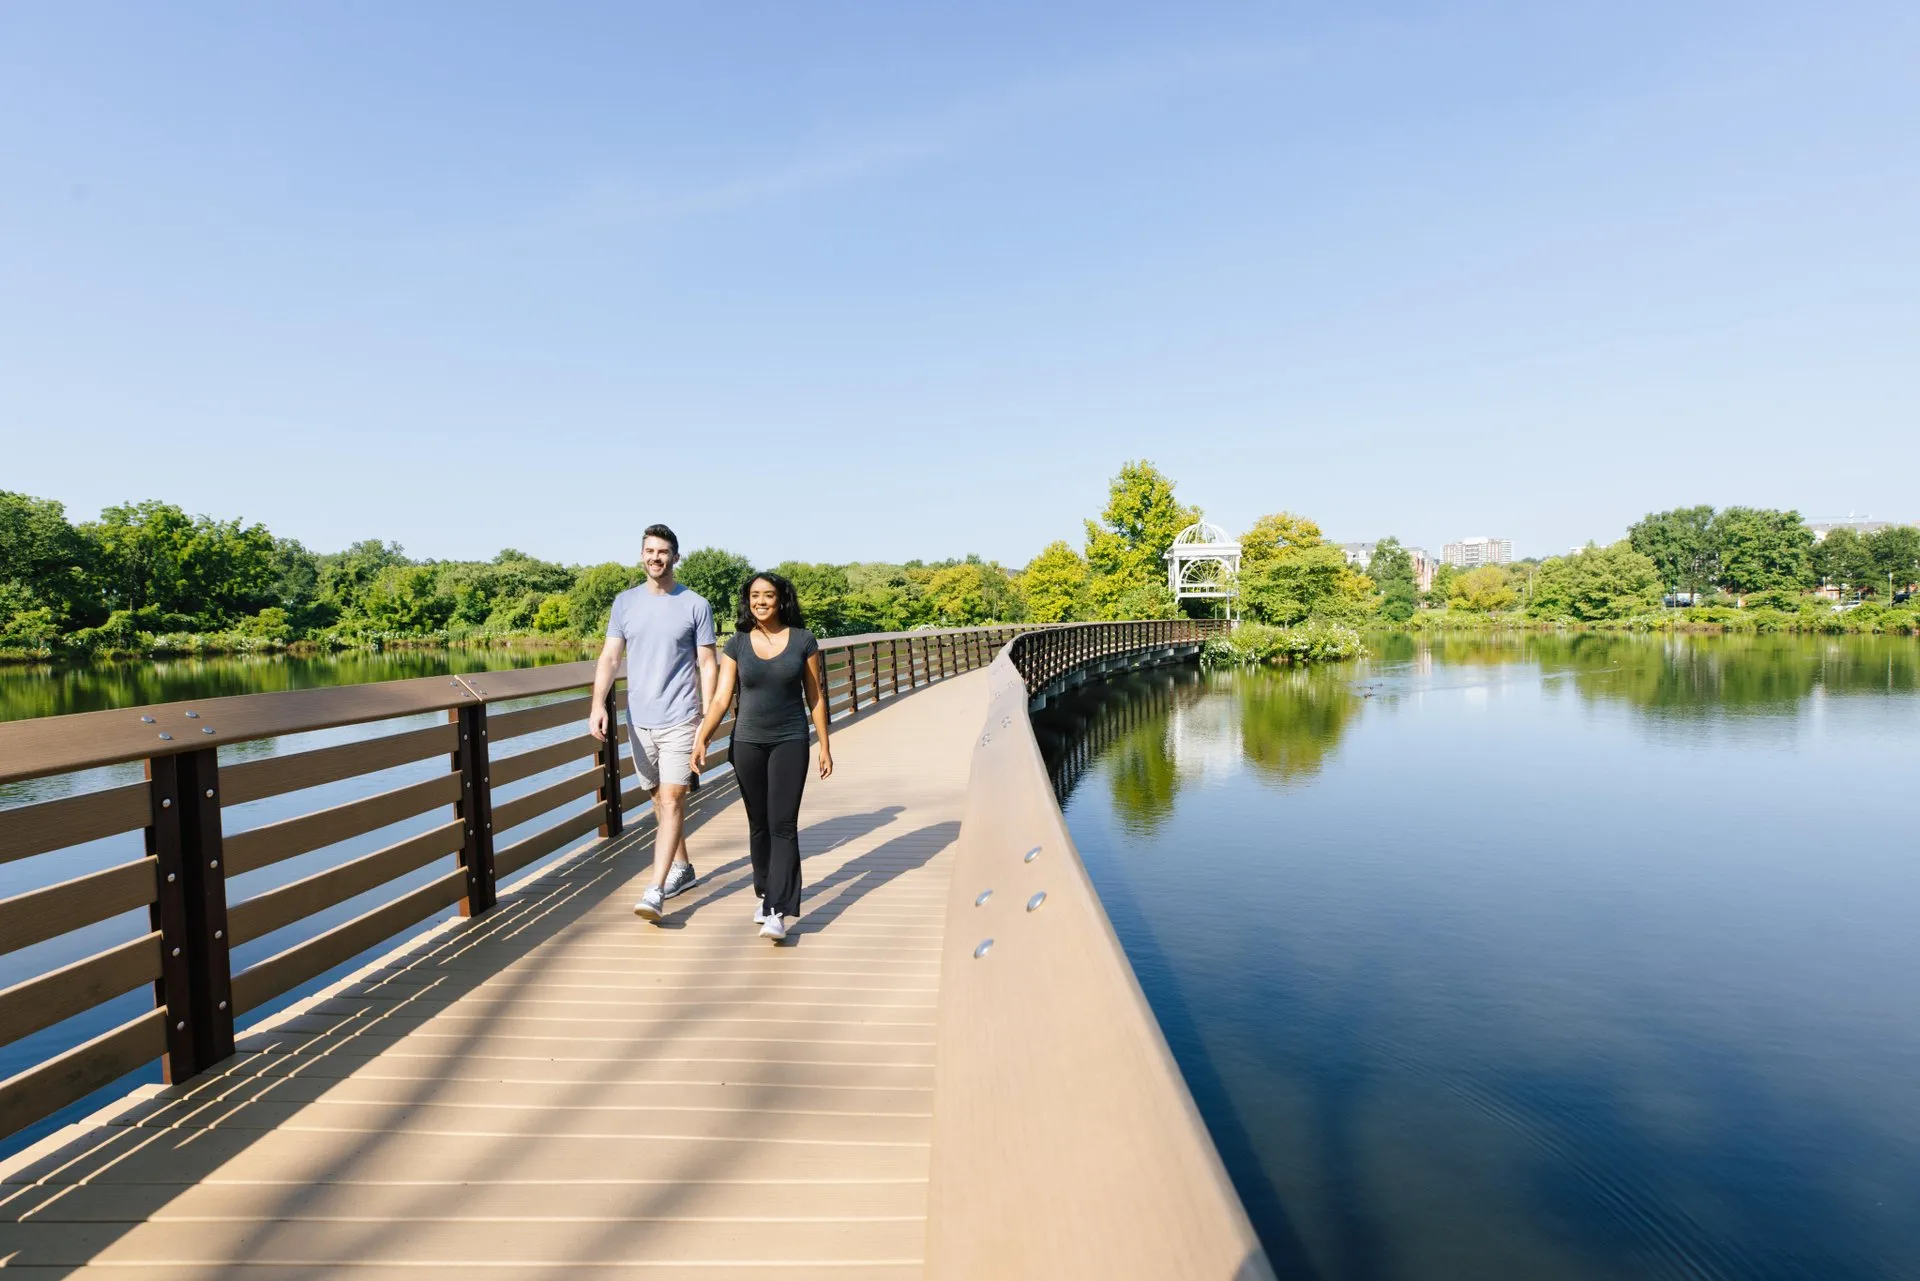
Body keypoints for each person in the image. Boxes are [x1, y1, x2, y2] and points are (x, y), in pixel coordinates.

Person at [691, 571, 832, 942]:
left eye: (768, 595)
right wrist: (702, 737)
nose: (761, 602)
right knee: (759, 823)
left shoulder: (803, 640)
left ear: (781, 598)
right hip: (747, 743)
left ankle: (776, 909)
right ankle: (765, 891)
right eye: (755, 596)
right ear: (747, 600)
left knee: (783, 824)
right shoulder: (737, 643)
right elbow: (722, 698)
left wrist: (825, 745)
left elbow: (815, 696)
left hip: (790, 740)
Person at [589, 524, 717, 923]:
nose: (655, 558)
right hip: (639, 719)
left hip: (681, 716)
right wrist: (598, 704)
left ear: (675, 557)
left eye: (663, 552)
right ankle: (683, 869)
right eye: (649, 551)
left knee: (672, 799)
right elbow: (610, 658)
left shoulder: (695, 604)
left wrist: (707, 718)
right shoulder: (624, 603)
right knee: (656, 799)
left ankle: (656, 888)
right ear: (641, 555)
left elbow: (708, 663)